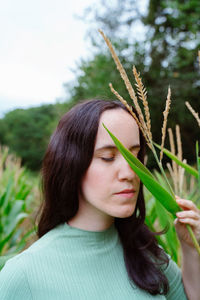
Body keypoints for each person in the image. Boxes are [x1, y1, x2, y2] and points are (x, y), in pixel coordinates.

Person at [0, 99, 200, 299]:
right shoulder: (23, 276)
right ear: (71, 163)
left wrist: (190, 248)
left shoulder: (147, 254)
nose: (129, 173)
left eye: (135, 156)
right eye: (108, 157)